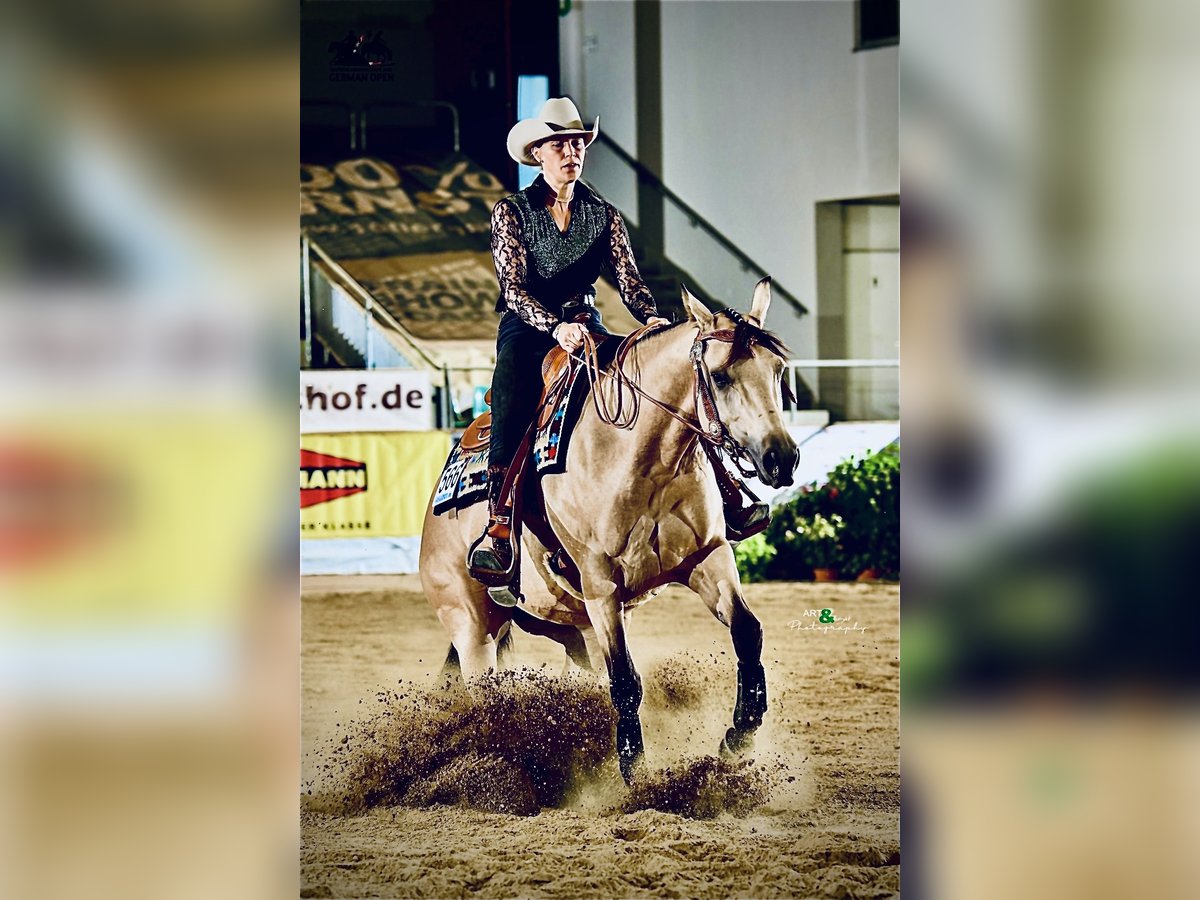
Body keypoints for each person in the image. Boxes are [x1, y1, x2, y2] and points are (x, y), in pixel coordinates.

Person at [469, 97, 765, 583]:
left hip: (588, 325)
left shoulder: (603, 213)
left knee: (671, 390)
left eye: (577, 144)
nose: (571, 152)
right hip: (528, 329)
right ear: (538, 153)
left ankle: (729, 494)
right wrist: (553, 325)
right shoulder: (512, 211)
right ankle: (500, 525)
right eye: (560, 144)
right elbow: (513, 288)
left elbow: (630, 280)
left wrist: (650, 318)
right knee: (512, 402)